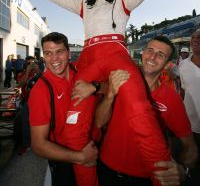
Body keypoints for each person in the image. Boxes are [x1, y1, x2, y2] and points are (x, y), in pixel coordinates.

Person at [5, 0, 174, 179]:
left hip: (116, 56)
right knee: (75, 128)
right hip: (90, 58)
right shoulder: (84, 4)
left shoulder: (123, 0)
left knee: (139, 110)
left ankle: (162, 175)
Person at [94, 36, 198, 185]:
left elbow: (191, 147)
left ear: (168, 64)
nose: (153, 57)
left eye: (161, 54)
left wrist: (183, 170)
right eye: (150, 50)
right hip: (106, 169)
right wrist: (110, 94)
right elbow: (99, 123)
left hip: (144, 178)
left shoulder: (171, 99)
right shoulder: (121, 81)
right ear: (142, 53)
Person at [28, 32, 98, 186]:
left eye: (59, 52)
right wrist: (81, 157)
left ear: (69, 53)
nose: (54, 59)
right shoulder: (40, 91)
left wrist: (94, 86)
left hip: (90, 144)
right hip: (64, 158)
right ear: (43, 56)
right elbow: (38, 145)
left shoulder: (80, 72)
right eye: (48, 53)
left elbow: (110, 85)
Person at [179, 29, 200, 157]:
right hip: (191, 123)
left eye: (199, 37)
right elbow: (183, 89)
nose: (196, 40)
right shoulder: (183, 65)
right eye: (193, 37)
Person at [17, 56, 40, 154]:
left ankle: (40, 144)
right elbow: (20, 84)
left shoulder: (40, 74)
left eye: (33, 63)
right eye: (28, 64)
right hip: (27, 102)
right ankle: (26, 144)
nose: (31, 65)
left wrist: (37, 70)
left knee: (40, 124)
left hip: (39, 102)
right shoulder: (22, 74)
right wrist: (27, 71)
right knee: (26, 124)